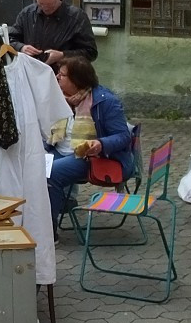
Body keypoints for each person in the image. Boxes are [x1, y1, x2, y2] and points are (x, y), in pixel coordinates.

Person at [46, 56, 135, 235]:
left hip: (91, 157)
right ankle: (33, 221)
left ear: (76, 80)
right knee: (29, 166)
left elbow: (123, 136)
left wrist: (101, 143)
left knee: (51, 173)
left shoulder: (105, 101)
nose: (56, 78)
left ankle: (48, 232)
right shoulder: (59, 98)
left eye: (61, 75)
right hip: (58, 150)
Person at [10, 0, 98, 68]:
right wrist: (21, 47)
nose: (45, 8)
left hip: (63, 75)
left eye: (50, 4)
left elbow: (90, 52)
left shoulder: (76, 17)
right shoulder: (27, 13)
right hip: (30, 72)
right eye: (41, 4)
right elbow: (10, 39)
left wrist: (62, 55)